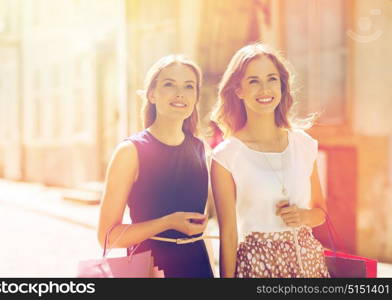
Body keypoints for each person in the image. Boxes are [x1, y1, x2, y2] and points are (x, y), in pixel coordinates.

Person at [210, 43, 330, 278]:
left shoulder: (303, 144)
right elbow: (228, 234)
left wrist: (303, 217)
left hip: (308, 265)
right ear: (238, 90)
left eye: (272, 79)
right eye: (253, 81)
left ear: (282, 85)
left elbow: (321, 212)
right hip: (256, 267)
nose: (265, 89)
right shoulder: (226, 156)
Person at [97, 55, 214, 278]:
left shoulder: (201, 150)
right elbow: (107, 236)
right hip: (150, 270)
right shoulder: (131, 151)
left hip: (198, 268)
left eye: (189, 86)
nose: (180, 93)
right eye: (169, 84)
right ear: (152, 94)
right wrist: (167, 222)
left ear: (196, 96)